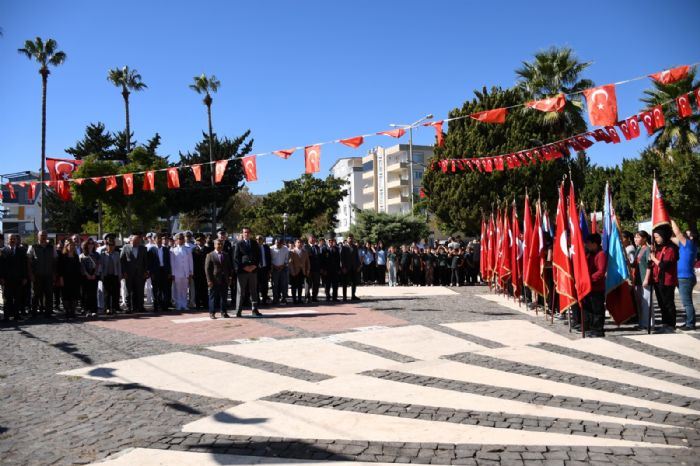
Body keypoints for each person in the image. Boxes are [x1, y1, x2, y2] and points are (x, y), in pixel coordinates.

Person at [649, 226, 679, 332]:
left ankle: (671, 325)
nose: (655, 239)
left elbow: (664, 266)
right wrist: (651, 259)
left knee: (668, 303)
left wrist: (653, 258)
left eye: (657, 237)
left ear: (663, 236)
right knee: (661, 304)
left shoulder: (671, 248)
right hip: (658, 280)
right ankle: (664, 324)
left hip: (667, 280)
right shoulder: (658, 248)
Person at [671, 220, 697, 331]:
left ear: (692, 237)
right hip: (683, 277)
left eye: (687, 234)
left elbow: (677, 232)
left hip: (685, 278)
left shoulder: (689, 245)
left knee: (687, 303)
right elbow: (671, 238)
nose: (685, 236)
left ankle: (690, 324)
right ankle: (688, 322)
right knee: (686, 302)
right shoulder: (684, 246)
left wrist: (670, 220)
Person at [233, 227, 261, 316]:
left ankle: (254, 309)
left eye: (248, 232)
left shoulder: (254, 243)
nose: (246, 234)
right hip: (243, 271)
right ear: (242, 233)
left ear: (250, 233)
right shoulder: (239, 244)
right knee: (241, 291)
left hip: (253, 270)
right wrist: (244, 267)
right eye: (245, 232)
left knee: (254, 291)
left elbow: (258, 256)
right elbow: (236, 258)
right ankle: (238, 310)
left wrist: (254, 266)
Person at [583, 233, 607, 337]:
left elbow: (601, 272)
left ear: (594, 243)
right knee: (589, 309)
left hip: (596, 287)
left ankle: (598, 330)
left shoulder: (600, 254)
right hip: (588, 287)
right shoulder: (590, 254)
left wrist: (589, 279)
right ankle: (592, 328)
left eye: (588, 243)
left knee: (597, 310)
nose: (586, 245)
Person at [27, 230, 56, 317]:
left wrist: (54, 274)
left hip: (49, 275)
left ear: (47, 237)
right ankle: (34, 312)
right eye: (41, 235)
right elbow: (28, 261)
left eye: (45, 235)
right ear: (38, 236)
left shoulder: (52, 247)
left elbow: (55, 261)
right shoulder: (32, 247)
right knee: (35, 294)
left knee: (49, 294)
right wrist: (31, 274)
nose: (43, 237)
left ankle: (48, 312)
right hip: (37, 275)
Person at [2, 234, 29, 321]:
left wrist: (25, 277)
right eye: (11, 239)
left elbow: (24, 265)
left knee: (17, 298)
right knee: (7, 299)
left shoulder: (21, 251)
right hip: (6, 280)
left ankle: (16, 315)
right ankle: (6, 316)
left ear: (17, 240)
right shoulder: (3, 251)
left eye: (14, 239)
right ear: (7, 240)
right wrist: (1, 277)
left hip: (18, 279)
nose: (13, 240)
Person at [120, 234, 148, 313]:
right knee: (129, 291)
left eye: (138, 241)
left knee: (139, 291)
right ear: (131, 240)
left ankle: (140, 307)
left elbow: (145, 261)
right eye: (135, 241)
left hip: (140, 274)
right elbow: (122, 260)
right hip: (129, 274)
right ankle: (129, 307)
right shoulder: (126, 247)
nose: (137, 242)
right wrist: (124, 272)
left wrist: (145, 272)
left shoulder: (143, 248)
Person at [205, 238, 232, 319]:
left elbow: (229, 267)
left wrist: (230, 277)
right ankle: (212, 313)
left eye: (221, 244)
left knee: (224, 297)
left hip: (224, 279)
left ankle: (224, 312)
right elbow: (207, 269)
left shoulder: (226, 255)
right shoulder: (210, 255)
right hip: (214, 279)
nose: (220, 246)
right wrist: (209, 280)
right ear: (214, 245)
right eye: (218, 244)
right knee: (213, 297)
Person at [148, 233, 172, 312]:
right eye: (157, 239)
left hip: (164, 271)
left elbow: (168, 262)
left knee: (164, 289)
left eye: (160, 239)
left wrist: (169, 272)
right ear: (154, 240)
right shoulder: (151, 250)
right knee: (156, 290)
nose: (159, 240)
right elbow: (150, 263)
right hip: (155, 272)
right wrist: (151, 273)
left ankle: (164, 306)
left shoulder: (165, 249)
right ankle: (156, 306)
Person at [633, 231, 652, 330]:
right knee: (640, 302)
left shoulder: (648, 249)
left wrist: (646, 279)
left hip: (645, 279)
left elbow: (650, 265)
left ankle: (648, 323)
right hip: (638, 279)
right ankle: (642, 322)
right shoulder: (638, 249)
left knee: (646, 303)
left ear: (644, 238)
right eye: (635, 237)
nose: (635, 239)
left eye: (638, 237)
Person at [57, 241, 81, 319]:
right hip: (65, 279)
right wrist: (61, 279)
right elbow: (60, 269)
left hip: (75, 279)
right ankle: (67, 311)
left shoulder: (76, 256)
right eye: (70, 246)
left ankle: (73, 311)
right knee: (66, 295)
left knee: (74, 295)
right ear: (66, 247)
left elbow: (78, 268)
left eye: (73, 246)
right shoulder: (63, 256)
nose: (71, 247)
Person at [170, 233, 193, 311]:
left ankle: (184, 304)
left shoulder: (188, 249)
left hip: (185, 272)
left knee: (185, 289)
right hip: (177, 273)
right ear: (176, 240)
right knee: (178, 289)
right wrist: (172, 274)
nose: (181, 240)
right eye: (179, 239)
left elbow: (190, 261)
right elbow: (172, 263)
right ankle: (178, 304)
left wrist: (191, 272)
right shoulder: (173, 250)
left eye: (182, 238)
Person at [100, 236, 122, 315]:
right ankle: (107, 308)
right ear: (106, 245)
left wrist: (120, 276)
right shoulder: (103, 254)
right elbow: (101, 266)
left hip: (115, 275)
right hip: (106, 276)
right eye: (109, 244)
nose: (110, 246)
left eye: (112, 245)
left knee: (115, 293)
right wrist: (102, 276)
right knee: (107, 293)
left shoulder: (116, 254)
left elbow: (119, 265)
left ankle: (115, 308)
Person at [79, 238, 101, 317]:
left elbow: (98, 265)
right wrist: (87, 275)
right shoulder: (82, 255)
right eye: (89, 243)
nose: (91, 245)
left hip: (94, 275)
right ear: (86, 245)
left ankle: (94, 310)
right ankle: (86, 310)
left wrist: (94, 274)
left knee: (93, 293)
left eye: (92, 243)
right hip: (85, 276)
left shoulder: (97, 254)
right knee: (86, 294)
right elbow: (82, 267)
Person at [192, 234, 212, 310]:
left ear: (204, 241)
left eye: (202, 240)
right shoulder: (193, 250)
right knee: (197, 289)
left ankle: (205, 304)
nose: (200, 242)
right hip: (197, 272)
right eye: (198, 241)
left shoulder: (208, 249)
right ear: (196, 242)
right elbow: (192, 262)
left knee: (205, 289)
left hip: (205, 272)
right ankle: (197, 305)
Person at [288, 238, 310, 305]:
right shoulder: (292, 252)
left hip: (302, 271)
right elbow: (290, 263)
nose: (300, 243)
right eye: (298, 242)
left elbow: (307, 262)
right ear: (295, 243)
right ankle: (294, 299)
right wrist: (292, 271)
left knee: (300, 286)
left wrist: (307, 270)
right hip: (294, 271)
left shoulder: (305, 252)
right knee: (294, 286)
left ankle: (300, 299)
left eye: (301, 242)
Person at [340, 234, 361, 300]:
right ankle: (344, 297)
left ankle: (353, 295)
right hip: (346, 268)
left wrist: (358, 266)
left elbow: (357, 257)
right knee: (345, 283)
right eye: (349, 238)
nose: (350, 240)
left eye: (351, 238)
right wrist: (343, 267)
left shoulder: (355, 247)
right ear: (347, 239)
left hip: (354, 267)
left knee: (354, 282)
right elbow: (342, 258)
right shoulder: (344, 247)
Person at [270, 237, 290, 305]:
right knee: (275, 285)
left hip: (283, 269)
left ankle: (284, 298)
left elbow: (287, 259)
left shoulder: (285, 249)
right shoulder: (271, 248)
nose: (278, 245)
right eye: (276, 243)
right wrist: (274, 266)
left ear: (282, 243)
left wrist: (282, 266)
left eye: (279, 244)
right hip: (274, 269)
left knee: (284, 284)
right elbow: (270, 259)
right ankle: (275, 299)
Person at [320, 236, 341, 301]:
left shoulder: (336, 248)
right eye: (329, 241)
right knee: (327, 284)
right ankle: (327, 296)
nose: (331, 242)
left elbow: (338, 260)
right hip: (327, 270)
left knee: (335, 284)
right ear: (327, 241)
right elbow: (322, 260)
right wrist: (323, 269)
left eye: (332, 241)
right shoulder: (324, 249)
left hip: (335, 269)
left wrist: (338, 269)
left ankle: (335, 297)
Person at [304, 235, 321, 303]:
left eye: (314, 238)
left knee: (316, 283)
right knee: (308, 284)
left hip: (316, 268)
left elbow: (319, 258)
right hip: (309, 268)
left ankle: (314, 297)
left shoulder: (317, 247)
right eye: (312, 238)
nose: (313, 239)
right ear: (308, 239)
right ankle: (307, 297)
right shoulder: (305, 247)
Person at [256, 235, 272, 304]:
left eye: (260, 239)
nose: (259, 240)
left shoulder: (266, 247)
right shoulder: (254, 248)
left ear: (263, 240)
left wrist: (269, 269)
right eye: (257, 239)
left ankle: (264, 299)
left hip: (265, 269)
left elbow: (269, 258)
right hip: (256, 269)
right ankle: (257, 300)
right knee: (256, 285)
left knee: (265, 285)